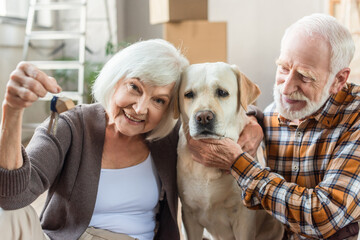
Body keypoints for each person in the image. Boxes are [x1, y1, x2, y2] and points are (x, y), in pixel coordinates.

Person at [186, 13, 360, 240]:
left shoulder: (354, 119)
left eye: (305, 77)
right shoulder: (275, 113)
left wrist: (238, 163)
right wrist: (252, 118)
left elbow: (323, 215)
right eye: (283, 68)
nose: (286, 88)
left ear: (339, 80)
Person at [0, 39, 190, 240]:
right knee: (6, 213)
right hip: (66, 237)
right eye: (134, 87)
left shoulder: (172, 139)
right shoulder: (70, 126)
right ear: (115, 79)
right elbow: (11, 196)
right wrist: (12, 110)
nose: (140, 108)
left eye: (159, 100)